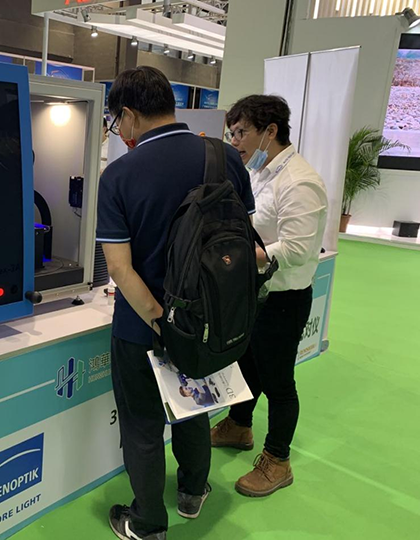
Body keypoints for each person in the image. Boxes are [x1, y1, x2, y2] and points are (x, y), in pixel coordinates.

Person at [97, 66, 255, 540]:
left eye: (116, 122)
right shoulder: (225, 157)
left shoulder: (119, 174)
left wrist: (161, 321)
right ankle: (192, 491)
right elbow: (243, 243)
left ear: (128, 115)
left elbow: (120, 269)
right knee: (194, 404)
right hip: (210, 319)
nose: (119, 131)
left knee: (142, 424)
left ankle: (147, 522)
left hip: (141, 325)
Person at [212, 95, 328, 498]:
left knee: (278, 382)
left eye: (241, 132)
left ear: (270, 131)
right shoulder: (259, 172)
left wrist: (242, 255)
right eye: (232, 133)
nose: (234, 141)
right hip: (255, 293)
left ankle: (278, 460)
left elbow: (298, 248)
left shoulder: (300, 181)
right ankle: (239, 425)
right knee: (245, 364)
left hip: (283, 298)